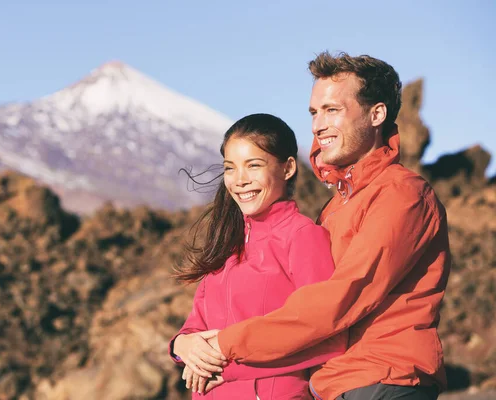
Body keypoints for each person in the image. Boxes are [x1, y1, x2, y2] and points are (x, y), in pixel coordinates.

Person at [207, 52, 451, 400]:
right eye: (314, 112)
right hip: (332, 384)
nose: (317, 125)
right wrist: (190, 343)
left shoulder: (402, 195)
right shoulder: (336, 206)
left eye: (332, 110)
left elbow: (345, 295)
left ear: (376, 114)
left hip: (384, 380)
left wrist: (224, 345)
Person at [169, 113, 347, 399]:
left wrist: (224, 370)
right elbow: (196, 324)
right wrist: (182, 346)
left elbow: (326, 338)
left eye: (253, 166)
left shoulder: (302, 236)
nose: (239, 180)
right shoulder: (227, 244)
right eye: (230, 168)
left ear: (288, 168)